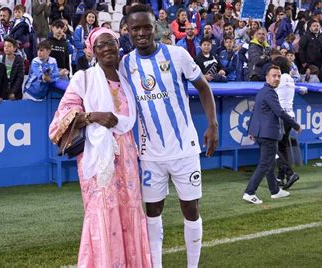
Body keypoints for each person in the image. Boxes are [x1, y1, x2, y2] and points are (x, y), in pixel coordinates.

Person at [122, 4, 218, 267]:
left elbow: (203, 87)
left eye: (146, 27)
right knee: (152, 212)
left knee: (190, 209)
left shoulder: (177, 55)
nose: (141, 32)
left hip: (184, 150)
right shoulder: (125, 64)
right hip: (150, 154)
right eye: (135, 28)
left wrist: (213, 124)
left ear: (155, 28)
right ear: (128, 31)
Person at [49, 27, 152, 267]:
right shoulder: (83, 78)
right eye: (101, 45)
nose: (107, 48)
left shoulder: (127, 81)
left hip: (126, 155)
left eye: (111, 43)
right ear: (93, 51)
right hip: (98, 157)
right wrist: (93, 116)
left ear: (118, 47)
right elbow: (59, 120)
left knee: (130, 210)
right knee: (103, 211)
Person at [243, 65, 301, 205]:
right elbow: (280, 112)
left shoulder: (262, 91)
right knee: (265, 164)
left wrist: (251, 131)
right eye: (274, 76)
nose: (277, 78)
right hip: (268, 134)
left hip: (261, 134)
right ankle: (250, 192)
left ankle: (275, 190)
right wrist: (296, 125)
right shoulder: (270, 93)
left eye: (279, 76)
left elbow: (255, 112)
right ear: (267, 77)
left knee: (268, 163)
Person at [270, 56, 300, 189]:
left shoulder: (279, 79)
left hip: (280, 117)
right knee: (282, 147)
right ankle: (280, 177)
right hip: (290, 116)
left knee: (272, 147)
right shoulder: (290, 79)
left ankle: (290, 173)